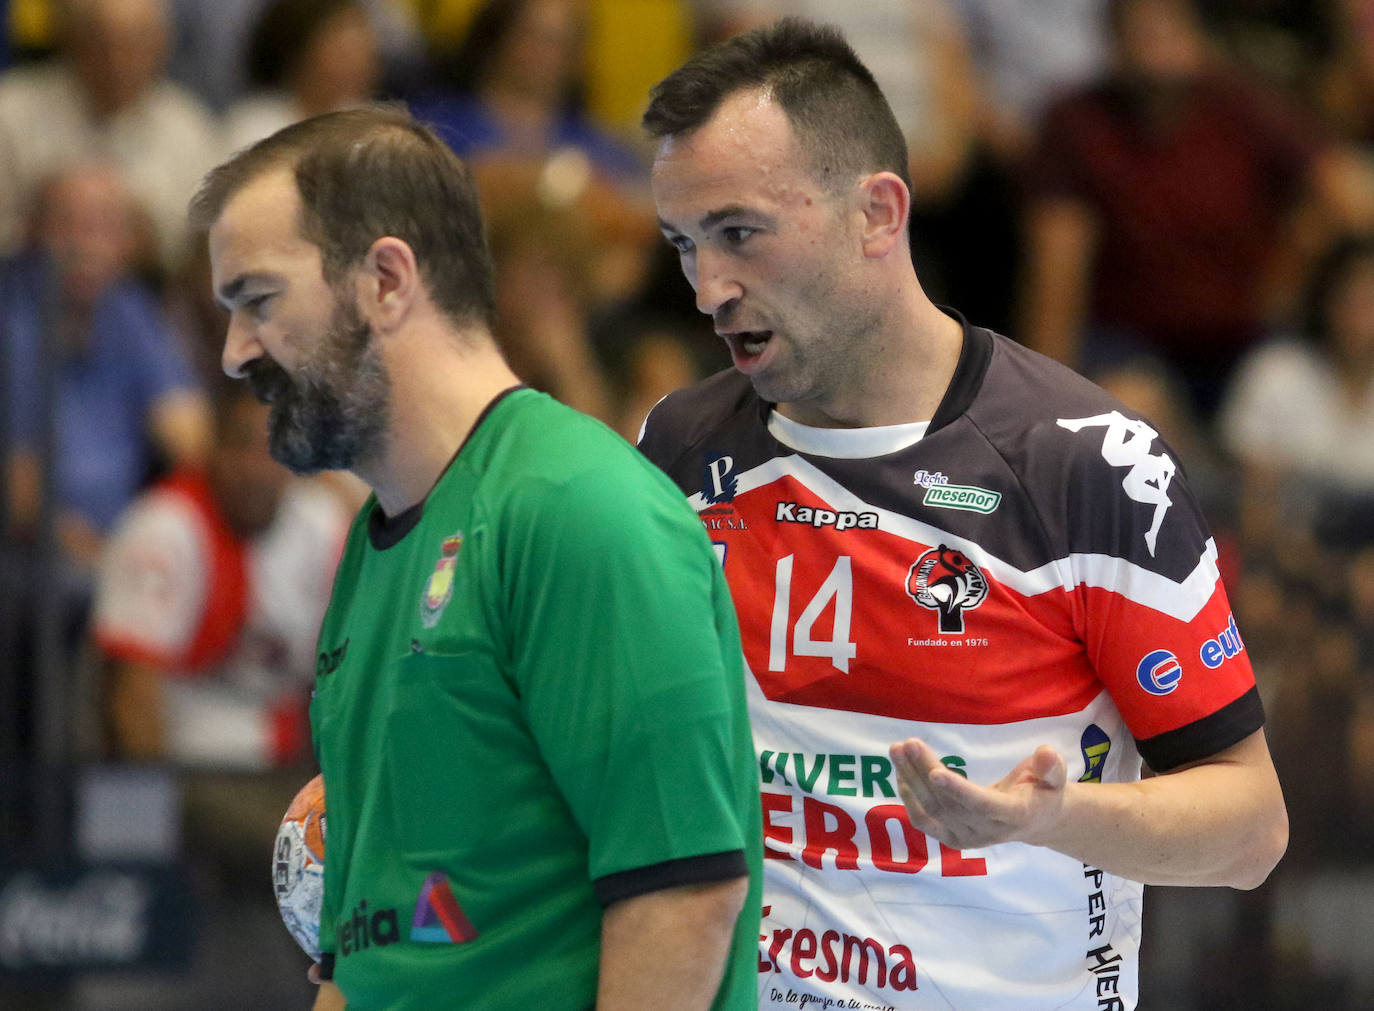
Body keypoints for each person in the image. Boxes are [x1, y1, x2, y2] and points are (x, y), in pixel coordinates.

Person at [636, 18, 1287, 1010]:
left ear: (879, 214)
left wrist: (1052, 819)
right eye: (683, 245)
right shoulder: (680, 449)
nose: (708, 289)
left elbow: (1250, 832)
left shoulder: (1082, 464)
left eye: (738, 233)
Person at [189, 105, 761, 1010]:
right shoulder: (373, 548)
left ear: (385, 279)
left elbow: (684, 895)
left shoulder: (578, 508)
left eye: (258, 300)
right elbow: (365, 943)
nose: (234, 353)